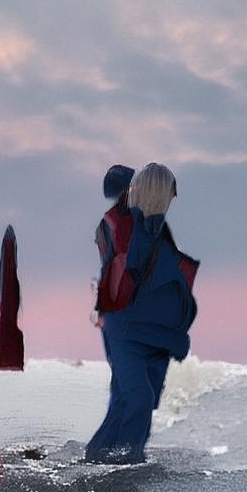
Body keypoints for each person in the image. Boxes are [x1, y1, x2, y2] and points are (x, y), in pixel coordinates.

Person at [86, 162, 198, 465]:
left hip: (153, 330)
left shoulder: (155, 229)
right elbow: (123, 269)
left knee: (132, 399)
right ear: (158, 191)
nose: (174, 197)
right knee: (138, 398)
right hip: (129, 326)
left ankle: (104, 459)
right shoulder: (130, 226)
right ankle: (124, 461)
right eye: (171, 191)